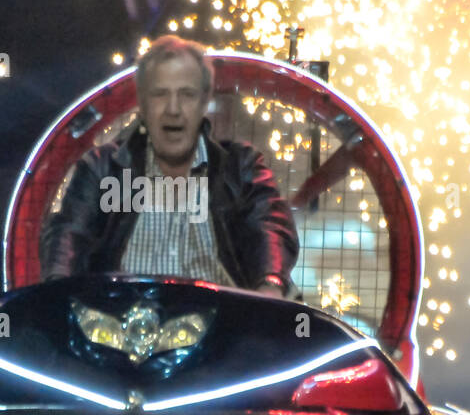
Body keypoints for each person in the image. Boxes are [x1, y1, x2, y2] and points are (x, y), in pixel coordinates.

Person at [39, 35, 298, 296]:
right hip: (119, 328)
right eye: (160, 94)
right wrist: (58, 290)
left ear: (203, 101)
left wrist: (270, 284)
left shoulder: (241, 167)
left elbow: (268, 225)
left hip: (220, 328)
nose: (173, 109)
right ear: (142, 103)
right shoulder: (102, 168)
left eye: (186, 95)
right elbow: (70, 233)